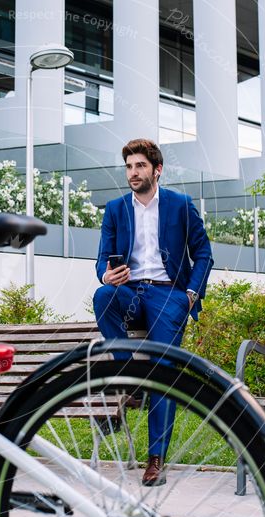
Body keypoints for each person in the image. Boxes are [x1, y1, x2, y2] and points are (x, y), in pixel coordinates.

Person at [93, 138, 213, 486]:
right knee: (103, 296)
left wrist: (190, 293)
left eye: (140, 165)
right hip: (129, 292)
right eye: (129, 166)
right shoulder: (116, 209)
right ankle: (130, 375)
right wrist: (106, 274)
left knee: (164, 371)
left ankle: (155, 459)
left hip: (167, 295)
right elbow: (103, 257)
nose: (133, 172)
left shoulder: (180, 205)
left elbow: (204, 253)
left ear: (156, 169)